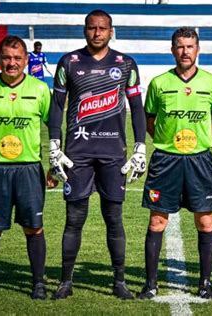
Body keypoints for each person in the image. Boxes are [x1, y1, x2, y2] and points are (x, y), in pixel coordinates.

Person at [47, 9, 146, 300]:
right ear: (84, 30)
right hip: (77, 153)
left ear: (111, 31)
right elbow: (57, 107)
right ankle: (65, 281)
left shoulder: (126, 64)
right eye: (92, 28)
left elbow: (137, 108)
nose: (97, 33)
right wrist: (54, 144)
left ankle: (119, 281)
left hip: (114, 153)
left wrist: (141, 145)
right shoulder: (69, 63)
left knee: (114, 218)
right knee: (74, 218)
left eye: (102, 28)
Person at [138, 27, 212, 300]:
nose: (185, 51)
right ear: (172, 49)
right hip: (166, 160)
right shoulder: (159, 83)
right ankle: (151, 285)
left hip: (200, 160)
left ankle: (206, 283)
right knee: (157, 222)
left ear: (197, 50)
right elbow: (148, 121)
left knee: (205, 221)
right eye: (180, 46)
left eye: (190, 46)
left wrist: (198, 142)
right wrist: (167, 143)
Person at [0, 35, 51, 300]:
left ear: (27, 60)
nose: (12, 63)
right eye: (7, 58)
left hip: (29, 169)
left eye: (17, 58)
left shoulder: (40, 89)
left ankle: (38, 283)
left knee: (34, 228)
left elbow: (56, 130)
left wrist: (54, 166)